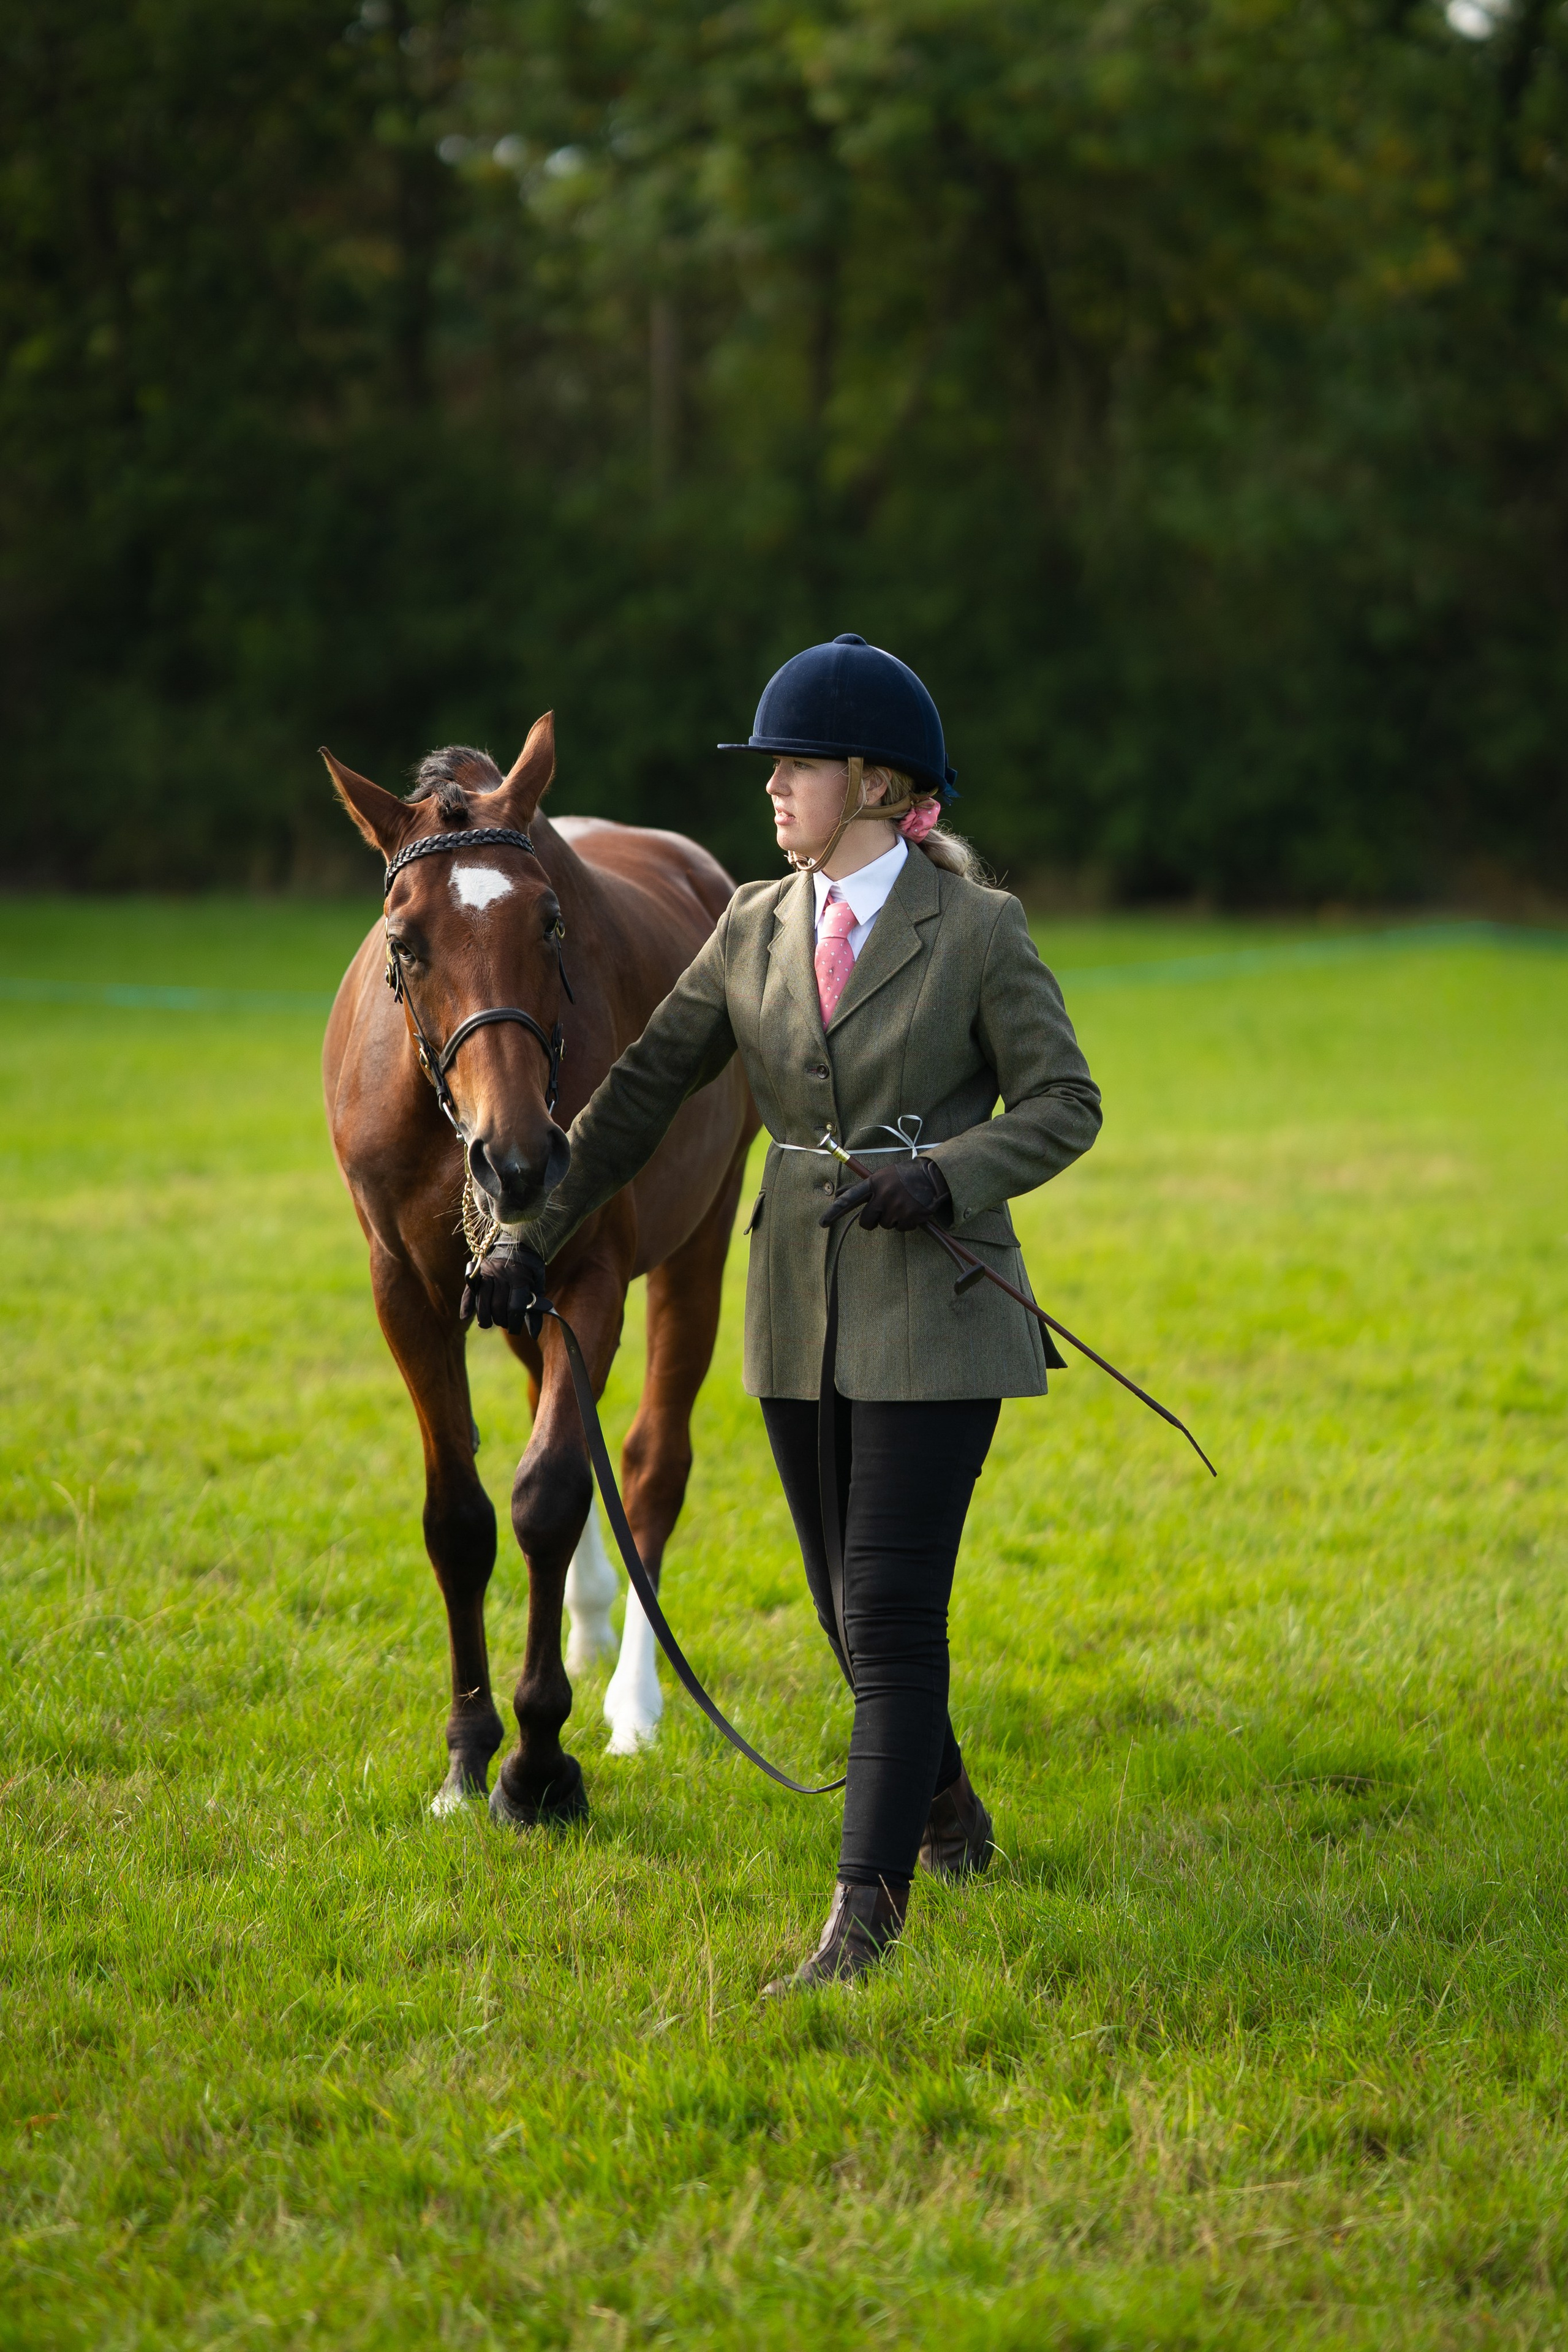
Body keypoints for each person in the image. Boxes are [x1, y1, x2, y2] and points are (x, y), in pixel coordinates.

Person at [468, 633, 1102, 1991]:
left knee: (889, 1616)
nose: (769, 787)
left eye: (794, 766)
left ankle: (858, 1927)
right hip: (794, 1314)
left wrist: (946, 1173)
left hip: (938, 1313)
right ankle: (950, 1816)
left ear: (876, 784)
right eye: (768, 768)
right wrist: (528, 1239)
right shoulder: (752, 923)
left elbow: (1065, 1104)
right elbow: (635, 1100)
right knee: (842, 1610)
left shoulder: (977, 932)